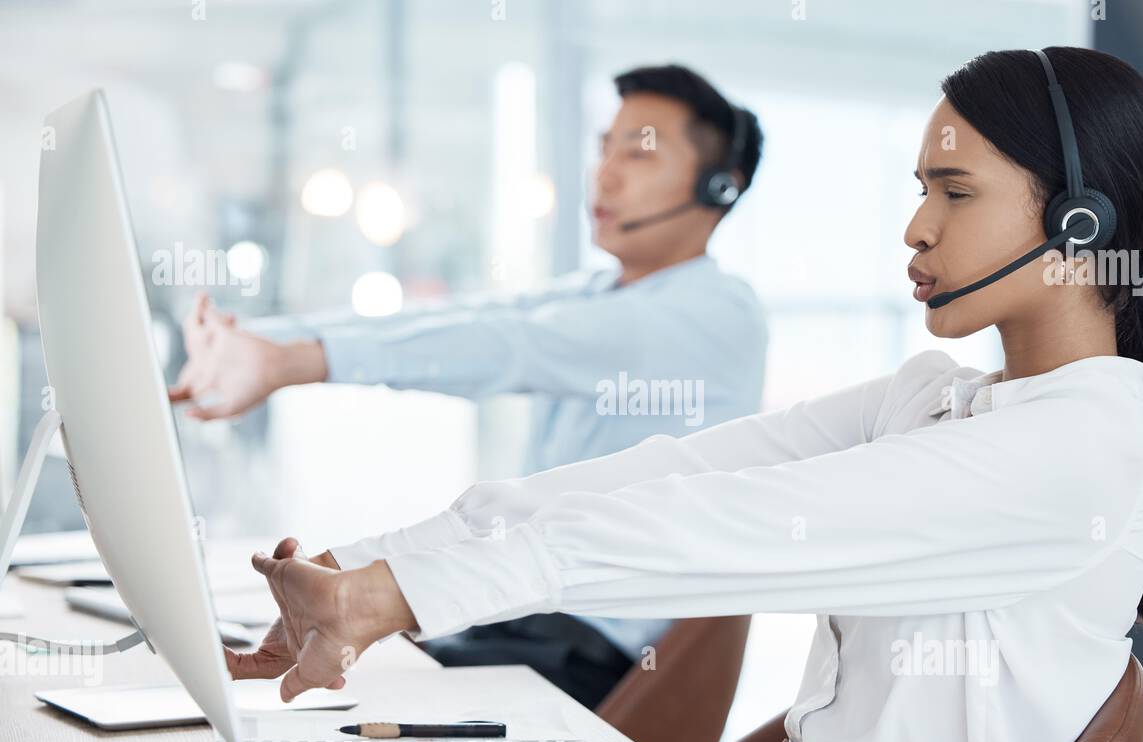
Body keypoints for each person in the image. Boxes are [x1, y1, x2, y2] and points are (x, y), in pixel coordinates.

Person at [228, 46, 1143, 742]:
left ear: (1079, 224)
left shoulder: (1081, 452)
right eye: (920, 189)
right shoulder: (930, 396)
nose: (916, 227)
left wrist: (403, 595)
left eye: (955, 192)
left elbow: (729, 527)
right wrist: (355, 574)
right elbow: (653, 479)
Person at [172, 64, 768, 708]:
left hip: (586, 654)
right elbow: (465, 319)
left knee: (318, 703)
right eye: (605, 147)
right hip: (516, 616)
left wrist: (287, 362)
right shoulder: (599, 292)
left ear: (718, 187)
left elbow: (502, 348)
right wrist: (264, 340)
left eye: (640, 150)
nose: (607, 173)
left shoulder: (711, 313)